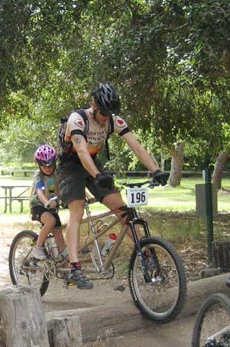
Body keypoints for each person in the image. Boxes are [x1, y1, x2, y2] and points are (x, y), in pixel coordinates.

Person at [57, 82, 168, 289]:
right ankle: (75, 268)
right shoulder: (78, 119)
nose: (106, 119)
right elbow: (81, 151)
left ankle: (146, 255)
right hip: (70, 167)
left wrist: (156, 170)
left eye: (110, 114)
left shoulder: (113, 120)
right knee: (76, 212)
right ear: (94, 106)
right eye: (103, 114)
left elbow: (136, 146)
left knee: (123, 210)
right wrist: (98, 175)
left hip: (93, 164)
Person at [30, 144, 66, 260]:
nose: (48, 168)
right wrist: (46, 202)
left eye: (50, 165)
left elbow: (66, 187)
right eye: (44, 166)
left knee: (59, 236)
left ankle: (65, 264)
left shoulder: (57, 175)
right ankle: (38, 247)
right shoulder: (39, 178)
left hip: (52, 208)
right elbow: (40, 192)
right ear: (39, 165)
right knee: (51, 221)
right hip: (39, 207)